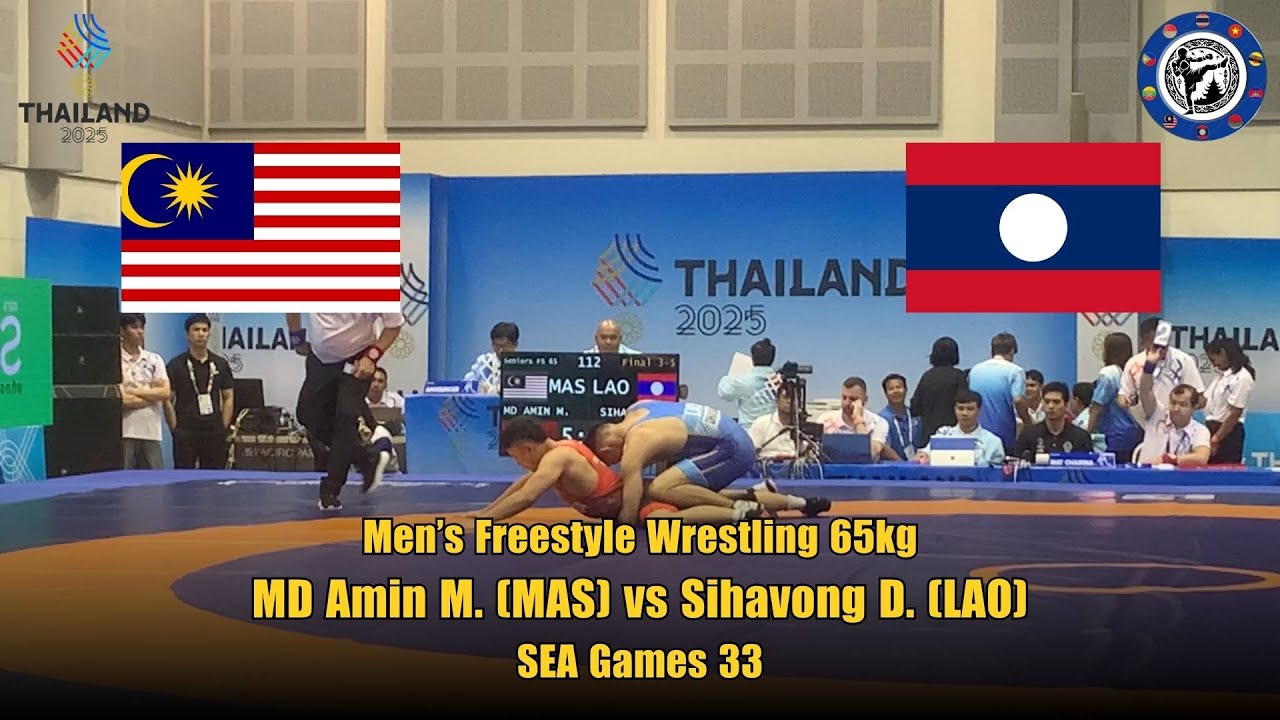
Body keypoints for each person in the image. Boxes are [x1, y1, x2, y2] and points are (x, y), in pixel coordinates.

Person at [466, 417, 758, 524]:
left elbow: (528, 496)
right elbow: (522, 484)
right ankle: (757, 498)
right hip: (634, 496)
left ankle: (738, 514)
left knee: (663, 520)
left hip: (639, 503)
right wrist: (486, 510)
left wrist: (488, 520)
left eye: (516, 457)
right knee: (696, 497)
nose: (518, 463)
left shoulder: (558, 458)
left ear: (527, 447)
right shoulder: (561, 449)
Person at [584, 400, 830, 524]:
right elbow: (665, 450)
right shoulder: (638, 407)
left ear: (606, 448)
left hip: (732, 448)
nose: (613, 464)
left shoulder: (636, 443)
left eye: (606, 460)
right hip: (728, 437)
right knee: (679, 492)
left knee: (661, 488)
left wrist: (621, 527)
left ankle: (741, 508)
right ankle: (801, 503)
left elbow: (629, 512)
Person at [287, 312, 405, 511]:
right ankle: (366, 459)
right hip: (321, 359)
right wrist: (296, 338)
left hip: (358, 359)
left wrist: (372, 356)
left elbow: (394, 325)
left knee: (346, 418)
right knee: (306, 414)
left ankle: (331, 490)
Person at [1133, 349, 1211, 466]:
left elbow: (1201, 457)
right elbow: (1146, 390)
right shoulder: (1157, 414)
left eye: (1183, 405)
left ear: (1194, 407)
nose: (1176, 408)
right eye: (1173, 403)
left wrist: (1168, 460)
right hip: (1148, 473)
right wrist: (1149, 366)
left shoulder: (1200, 430)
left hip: (1178, 476)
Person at [1013, 382, 1094, 461]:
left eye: (1056, 402)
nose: (1051, 406)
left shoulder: (1081, 437)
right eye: (1047, 402)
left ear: (1066, 404)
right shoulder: (1028, 435)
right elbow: (1017, 463)